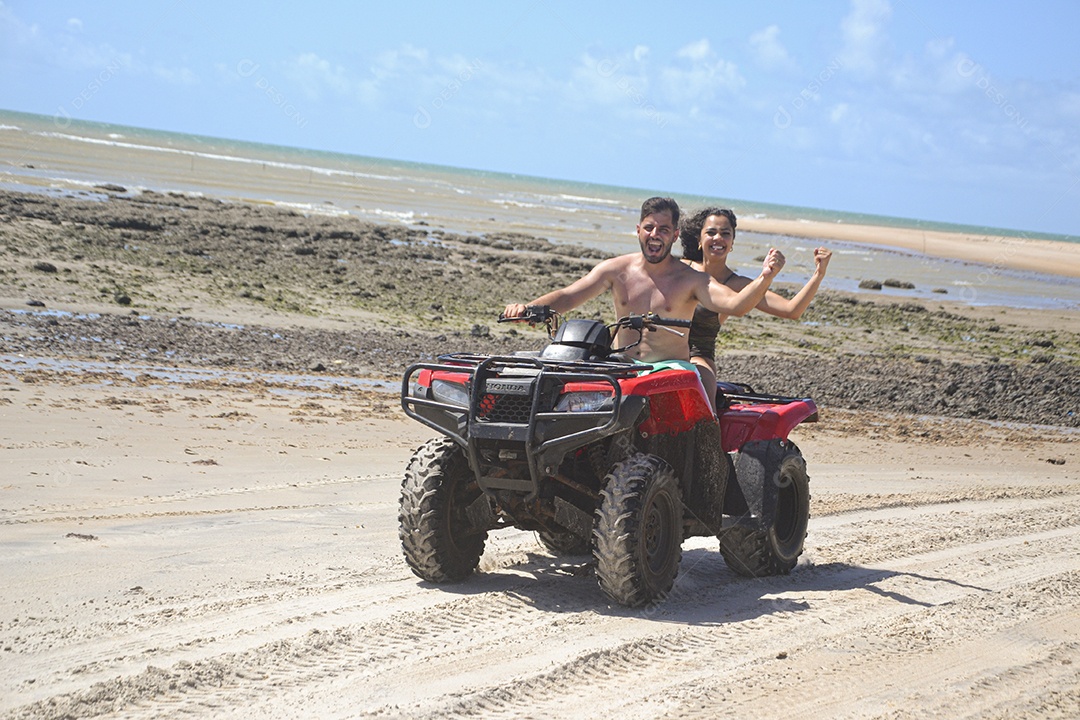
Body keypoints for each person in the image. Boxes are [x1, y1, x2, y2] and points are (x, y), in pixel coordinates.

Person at [503, 197, 786, 374]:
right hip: (619, 367)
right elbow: (568, 296)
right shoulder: (615, 270)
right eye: (649, 227)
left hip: (670, 371)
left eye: (663, 230)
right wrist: (528, 308)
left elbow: (736, 306)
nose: (655, 235)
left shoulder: (692, 279)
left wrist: (766, 277)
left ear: (675, 235)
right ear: (638, 229)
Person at [679, 206, 831, 407]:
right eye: (711, 232)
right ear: (699, 239)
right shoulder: (680, 269)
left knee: (703, 400)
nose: (718, 238)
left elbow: (792, 310)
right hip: (663, 348)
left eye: (725, 234)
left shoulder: (739, 285)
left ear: (732, 243)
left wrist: (818, 273)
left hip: (698, 355)